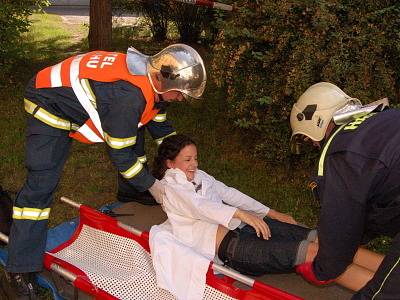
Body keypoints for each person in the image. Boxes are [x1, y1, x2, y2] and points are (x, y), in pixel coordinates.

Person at [5, 44, 206, 299]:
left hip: (81, 95)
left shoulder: (151, 77)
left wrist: (181, 157)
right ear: (165, 82)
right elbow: (121, 155)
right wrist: (153, 186)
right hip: (48, 103)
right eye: (179, 94)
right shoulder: (127, 97)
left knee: (135, 133)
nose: (180, 99)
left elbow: (159, 123)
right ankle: (20, 268)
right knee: (40, 187)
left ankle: (131, 189)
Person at [149, 134, 382, 299]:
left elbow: (230, 193)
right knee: (313, 254)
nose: (194, 165)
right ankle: (385, 291)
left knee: (322, 238)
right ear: (170, 164)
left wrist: (273, 213)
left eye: (196, 158)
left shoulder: (200, 176)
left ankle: (391, 270)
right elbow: (198, 205)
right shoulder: (171, 188)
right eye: (187, 160)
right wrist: (243, 215)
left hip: (246, 228)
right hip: (233, 248)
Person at [290, 82, 400, 299]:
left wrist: (323, 269)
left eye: (309, 138)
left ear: (317, 121)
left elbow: (342, 218)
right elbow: (380, 206)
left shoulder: (342, 152)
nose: (313, 144)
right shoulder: (382, 119)